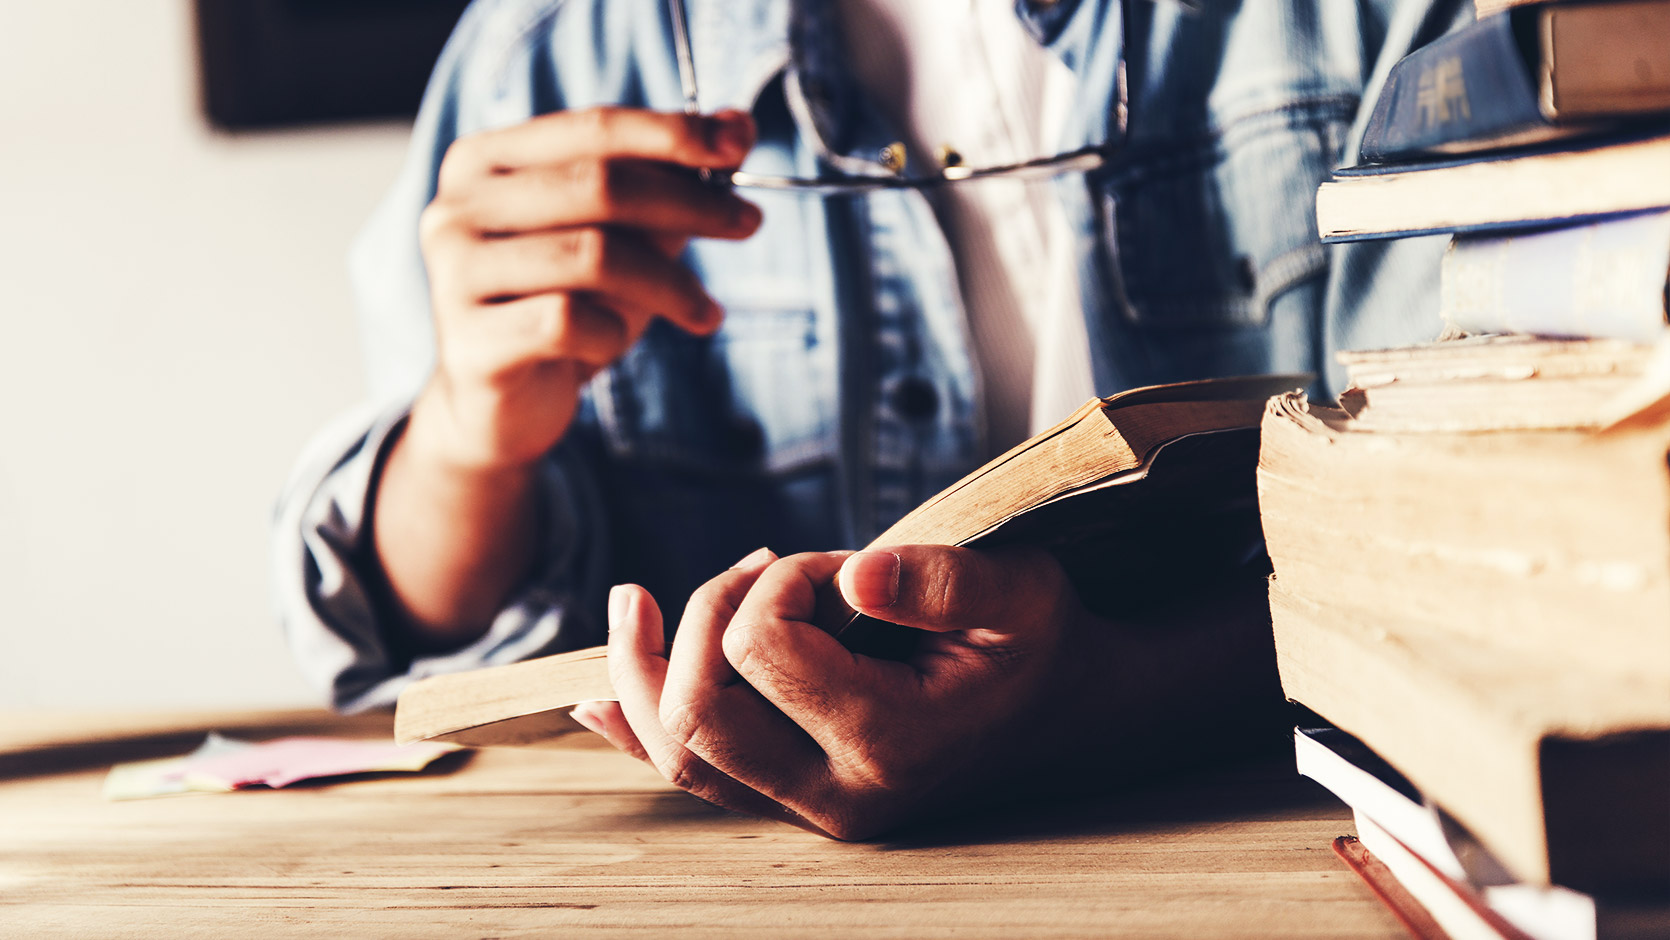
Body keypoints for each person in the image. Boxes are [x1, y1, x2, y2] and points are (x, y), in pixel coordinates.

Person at [274, 0, 1466, 838]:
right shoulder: (545, 49)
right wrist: (469, 436)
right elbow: (419, 626)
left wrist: (1123, 698)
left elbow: (1517, 524)